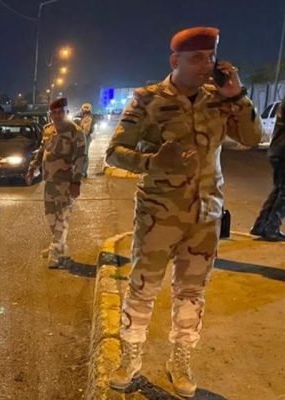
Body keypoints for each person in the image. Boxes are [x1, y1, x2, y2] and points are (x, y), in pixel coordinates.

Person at [105, 27, 262, 398]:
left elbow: (252, 138)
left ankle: (180, 361)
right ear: (175, 60)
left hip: (205, 216)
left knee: (192, 293)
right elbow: (114, 152)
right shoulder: (147, 99)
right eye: (197, 58)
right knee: (143, 288)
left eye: (211, 57)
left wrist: (237, 95)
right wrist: (151, 162)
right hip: (158, 216)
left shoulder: (219, 99)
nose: (207, 65)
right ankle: (131, 357)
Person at [26, 98, 86, 269]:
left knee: (62, 217)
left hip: (66, 182)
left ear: (66, 112)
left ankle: (55, 251)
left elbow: (81, 158)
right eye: (54, 113)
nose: (57, 116)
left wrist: (76, 182)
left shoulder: (76, 132)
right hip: (50, 182)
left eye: (61, 112)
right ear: (50, 114)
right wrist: (32, 167)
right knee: (50, 216)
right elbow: (42, 151)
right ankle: (59, 245)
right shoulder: (48, 130)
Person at [251, 103, 285, 241]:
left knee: (279, 190)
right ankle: (271, 228)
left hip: (278, 150)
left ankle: (261, 225)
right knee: (283, 192)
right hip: (283, 152)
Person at [77, 103, 95, 177]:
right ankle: (81, 171)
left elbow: (86, 131)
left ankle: (83, 172)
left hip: (85, 137)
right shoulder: (82, 117)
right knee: (82, 154)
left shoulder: (88, 118)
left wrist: (79, 136)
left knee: (84, 154)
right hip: (83, 137)